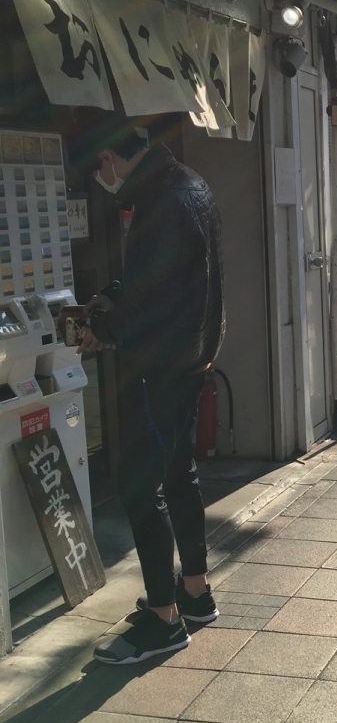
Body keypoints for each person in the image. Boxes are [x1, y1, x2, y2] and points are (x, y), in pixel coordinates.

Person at [72, 114, 225, 664]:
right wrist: (113, 296)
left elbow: (154, 297)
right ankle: (194, 592)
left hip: (159, 365)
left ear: (108, 159)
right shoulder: (188, 183)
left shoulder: (160, 200)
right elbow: (168, 276)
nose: (102, 182)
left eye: (98, 172)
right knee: (179, 474)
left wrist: (102, 327)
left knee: (140, 485)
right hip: (192, 357)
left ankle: (163, 620)